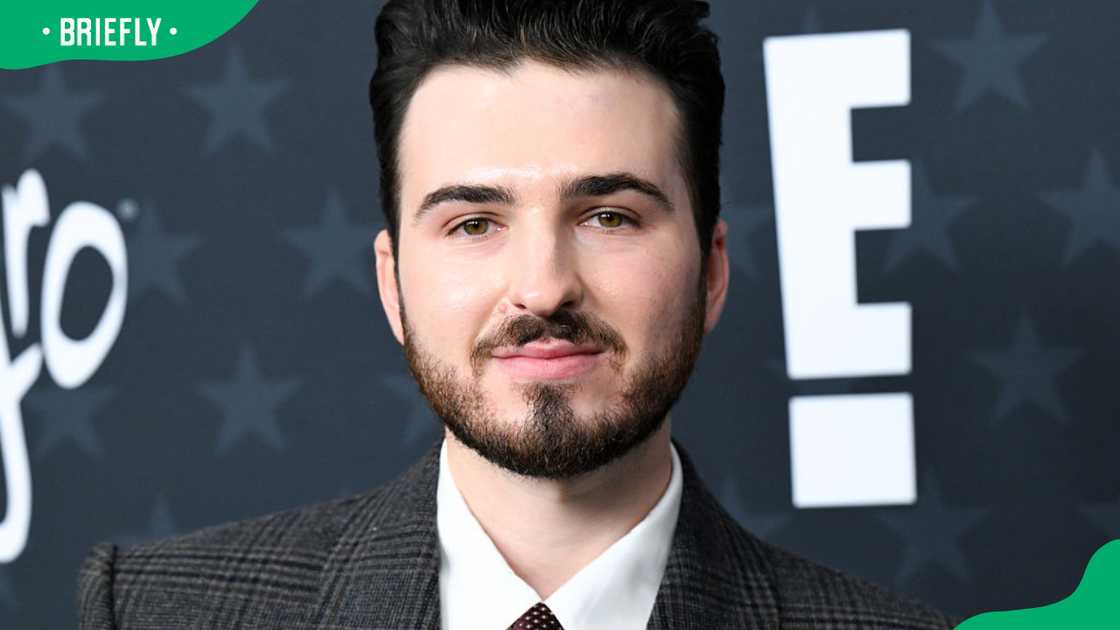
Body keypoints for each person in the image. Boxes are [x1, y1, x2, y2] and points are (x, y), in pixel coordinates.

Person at [78, 1, 958, 628]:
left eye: (609, 215)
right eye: (473, 223)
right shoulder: (158, 611)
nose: (542, 288)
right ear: (393, 284)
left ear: (713, 271)